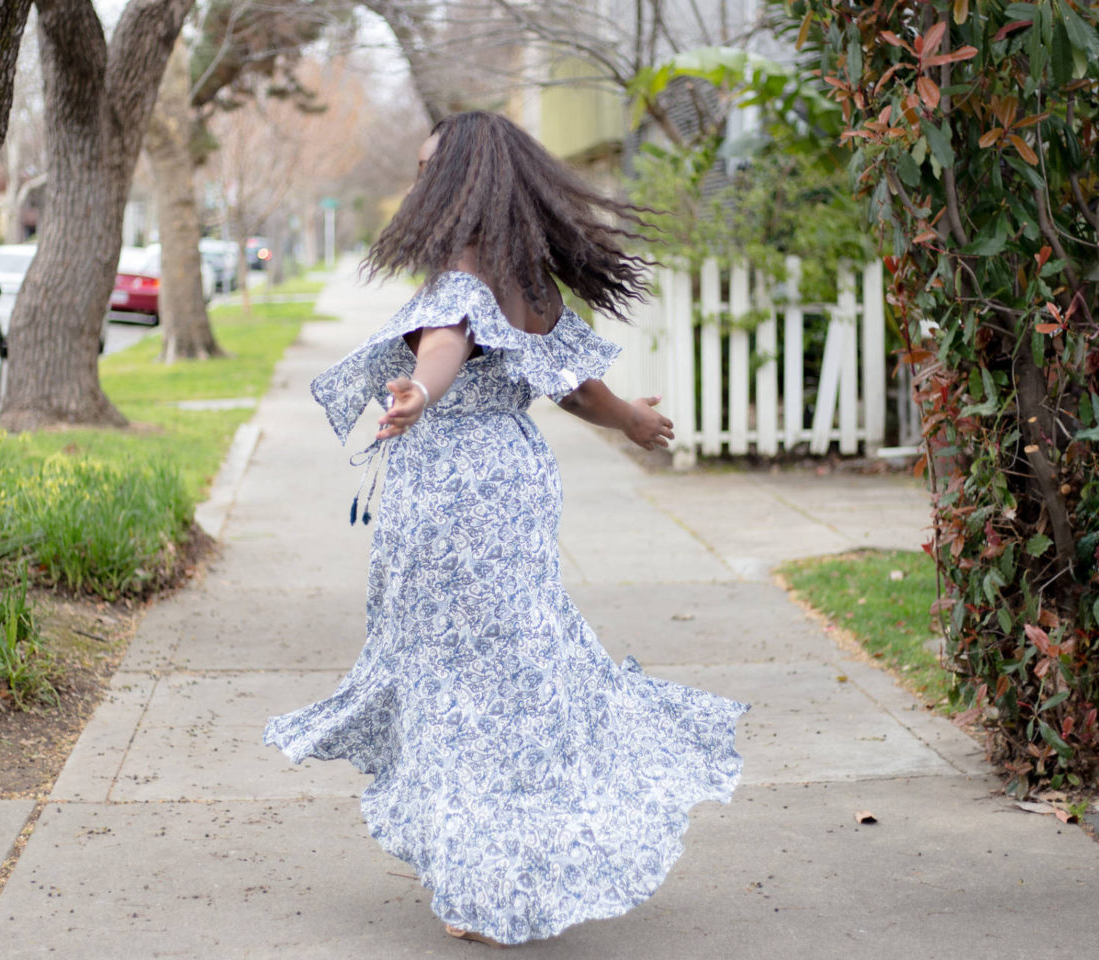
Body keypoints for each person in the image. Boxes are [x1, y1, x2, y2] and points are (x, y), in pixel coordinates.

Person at [264, 110, 746, 947]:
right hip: (514, 484)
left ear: (461, 184)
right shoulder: (529, 285)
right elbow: (570, 385)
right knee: (518, 674)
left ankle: (477, 879)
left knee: (456, 686)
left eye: (426, 172)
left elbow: (447, 340)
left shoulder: (459, 278)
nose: (417, 186)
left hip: (452, 493)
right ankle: (515, 855)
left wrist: (420, 390)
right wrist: (631, 419)